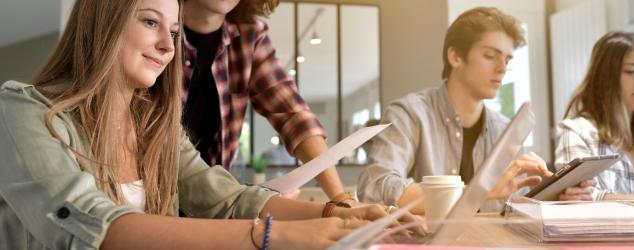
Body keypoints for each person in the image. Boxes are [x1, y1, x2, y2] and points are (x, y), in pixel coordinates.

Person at [0, 0, 421, 248]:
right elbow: (96, 225)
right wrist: (271, 236)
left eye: (174, 31)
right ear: (103, 20)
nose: (168, 46)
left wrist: (337, 210)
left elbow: (227, 199)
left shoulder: (154, 126)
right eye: (150, 22)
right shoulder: (23, 108)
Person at [357, 7, 552, 215]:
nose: (502, 68)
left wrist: (558, 193)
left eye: (507, 59)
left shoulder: (506, 130)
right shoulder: (409, 113)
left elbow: (518, 208)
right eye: (490, 55)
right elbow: (375, 189)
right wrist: (478, 191)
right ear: (456, 56)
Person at [181, 0, 355, 204]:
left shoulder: (249, 36)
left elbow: (294, 116)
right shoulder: (152, 27)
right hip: (152, 202)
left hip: (210, 204)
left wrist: (341, 199)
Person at [555, 31, 634, 201]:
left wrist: (608, 198)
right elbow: (582, 199)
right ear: (605, 78)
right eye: (630, 71)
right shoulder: (577, 132)